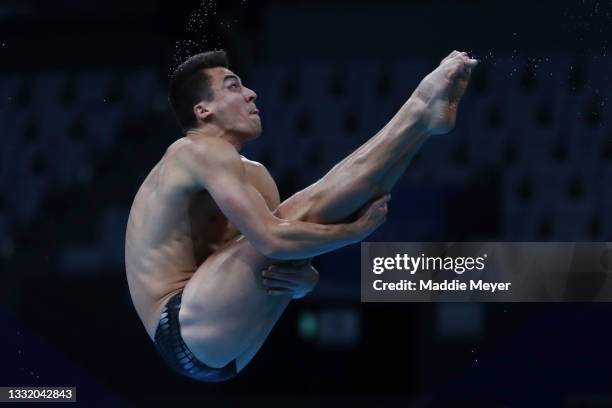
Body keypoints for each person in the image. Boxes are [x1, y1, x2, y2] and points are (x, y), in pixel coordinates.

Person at [125, 49, 478, 382]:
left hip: (229, 344)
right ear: (204, 111)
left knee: (313, 214)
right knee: (303, 211)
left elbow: (282, 259)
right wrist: (351, 235)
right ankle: (417, 112)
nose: (251, 94)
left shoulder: (255, 176)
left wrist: (304, 283)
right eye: (234, 86)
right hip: (180, 327)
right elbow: (272, 241)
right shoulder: (193, 150)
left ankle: (422, 127)